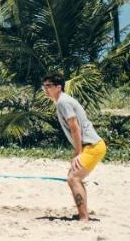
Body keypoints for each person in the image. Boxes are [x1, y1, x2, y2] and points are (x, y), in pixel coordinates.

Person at [42, 73, 106, 221]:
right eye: (44, 86)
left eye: (48, 86)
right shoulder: (62, 101)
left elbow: (74, 128)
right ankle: (83, 214)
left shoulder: (62, 102)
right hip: (93, 145)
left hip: (92, 146)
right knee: (75, 178)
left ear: (59, 87)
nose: (45, 89)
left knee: (73, 178)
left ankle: (84, 218)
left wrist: (78, 153)